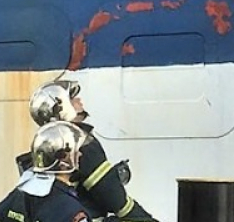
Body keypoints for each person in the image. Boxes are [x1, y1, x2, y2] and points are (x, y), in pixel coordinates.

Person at [25, 79, 158, 222]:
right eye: (72, 98)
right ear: (61, 107)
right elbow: (113, 196)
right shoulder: (80, 145)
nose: (79, 100)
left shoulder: (45, 142)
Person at [0, 121, 91, 222]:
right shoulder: (69, 208)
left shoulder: (20, 193)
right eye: (76, 151)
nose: (80, 154)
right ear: (62, 162)